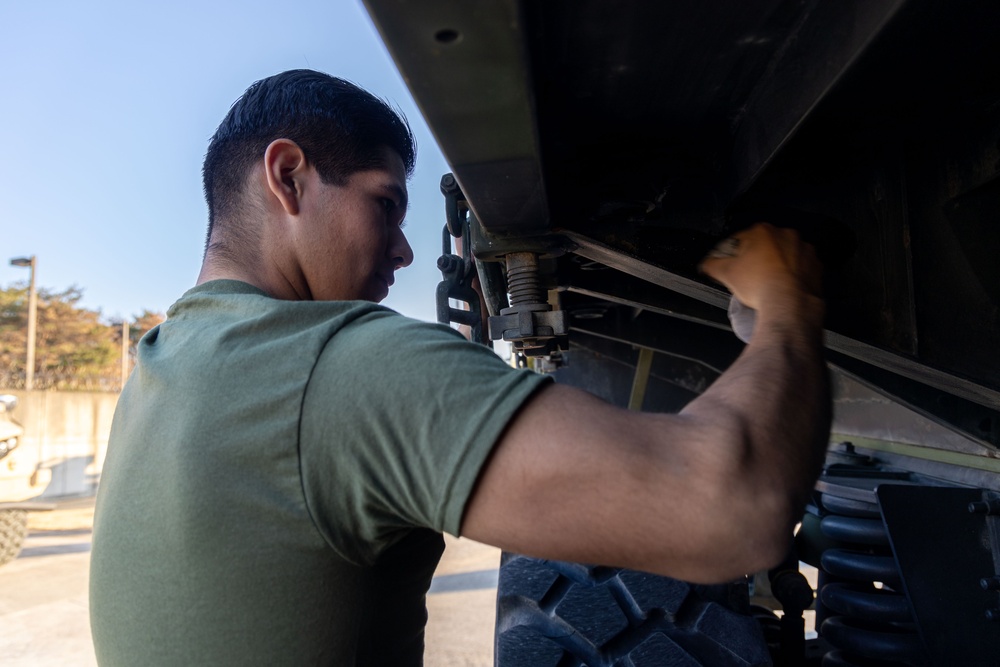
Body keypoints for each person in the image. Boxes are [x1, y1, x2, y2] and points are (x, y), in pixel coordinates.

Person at [89, 69, 830, 665]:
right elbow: (731, 505)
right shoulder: (341, 367)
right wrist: (790, 308)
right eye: (385, 204)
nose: (406, 251)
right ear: (288, 177)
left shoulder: (157, 374)